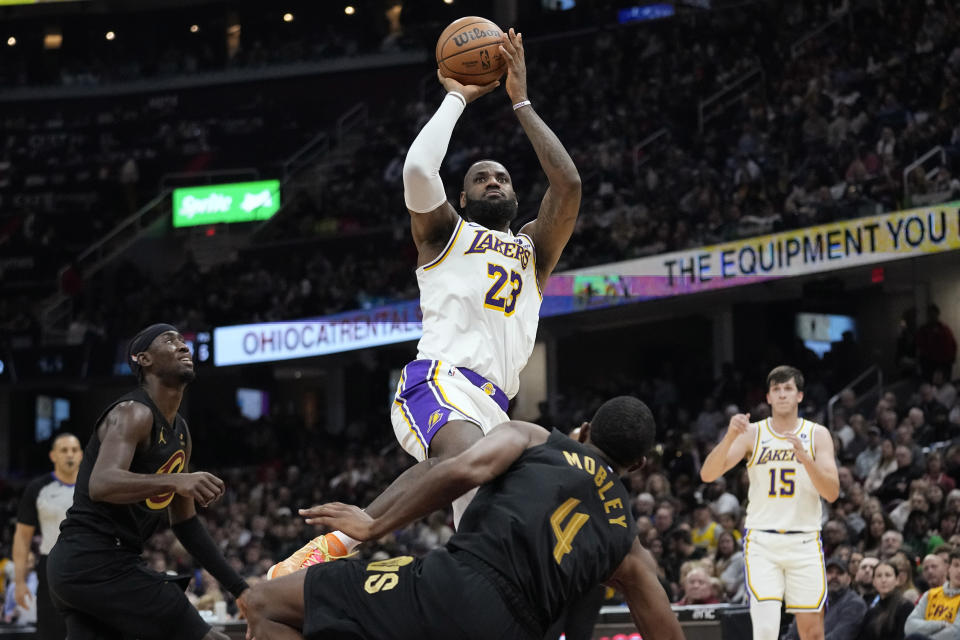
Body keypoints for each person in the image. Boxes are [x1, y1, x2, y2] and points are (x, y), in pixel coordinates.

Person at [269, 27, 582, 576]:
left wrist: (521, 101)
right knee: (460, 458)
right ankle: (351, 534)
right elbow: (418, 170)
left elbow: (569, 184)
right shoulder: (443, 234)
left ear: (514, 195)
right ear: (460, 198)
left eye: (503, 178)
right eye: (480, 177)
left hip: (497, 411)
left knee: (505, 551)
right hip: (440, 382)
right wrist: (458, 95)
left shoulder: (533, 250)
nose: (493, 181)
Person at [243, 397, 685, 640]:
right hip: (521, 629)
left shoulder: (537, 438)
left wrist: (373, 525)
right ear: (639, 465)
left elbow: (461, 469)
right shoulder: (628, 542)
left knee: (261, 603)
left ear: (584, 430)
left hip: (458, 584)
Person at [46, 323, 250, 639]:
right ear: (143, 359)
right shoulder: (133, 412)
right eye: (170, 341)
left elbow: (186, 525)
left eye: (184, 341)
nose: (184, 346)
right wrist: (174, 482)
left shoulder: (181, 433)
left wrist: (240, 588)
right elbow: (102, 485)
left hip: (89, 566)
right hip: (95, 560)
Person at [701, 365, 840, 640]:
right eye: (776, 390)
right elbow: (707, 474)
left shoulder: (817, 434)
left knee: (812, 633)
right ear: (767, 397)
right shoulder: (752, 433)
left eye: (788, 389)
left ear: (800, 396)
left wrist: (805, 459)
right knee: (765, 631)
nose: (782, 394)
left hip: (804, 540)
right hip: (763, 541)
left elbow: (832, 492)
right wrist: (730, 435)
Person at [12, 432, 82, 640]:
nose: (69, 454)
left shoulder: (93, 487)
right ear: (53, 456)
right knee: (50, 630)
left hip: (87, 566)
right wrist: (19, 582)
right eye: (64, 450)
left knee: (89, 629)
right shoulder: (37, 488)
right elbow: (23, 538)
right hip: (50, 566)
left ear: (81, 455)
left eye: (74, 450)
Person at [784, 557, 867, 640]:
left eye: (839, 573)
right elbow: (793, 634)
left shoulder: (855, 604)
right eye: (829, 572)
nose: (834, 576)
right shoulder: (812, 600)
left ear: (849, 579)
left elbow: (840, 636)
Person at [905, 550, 960, 638]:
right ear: (948, 568)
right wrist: (940, 625)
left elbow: (956, 632)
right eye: (956, 565)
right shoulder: (929, 594)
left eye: (934, 566)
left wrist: (926, 637)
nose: (959, 571)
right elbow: (909, 626)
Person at [857, 561, 914, 640]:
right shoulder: (871, 612)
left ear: (897, 580)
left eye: (888, 575)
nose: (883, 580)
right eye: (879, 576)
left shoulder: (906, 607)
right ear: (873, 582)